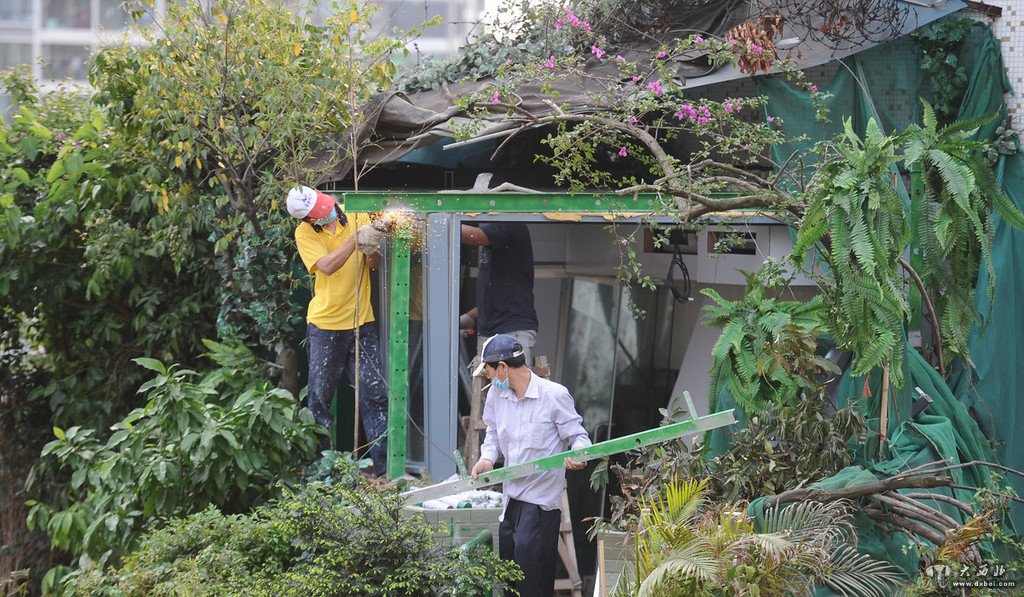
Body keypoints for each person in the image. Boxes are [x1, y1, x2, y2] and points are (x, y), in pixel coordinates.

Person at [470, 334, 591, 597]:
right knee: (509, 583)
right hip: (511, 501)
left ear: (503, 367)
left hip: (540, 505)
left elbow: (578, 437)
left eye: (488, 371)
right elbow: (493, 433)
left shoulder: (554, 395)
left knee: (533, 586)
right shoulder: (497, 395)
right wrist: (487, 458)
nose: (488, 378)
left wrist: (579, 455)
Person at [287, 185, 388, 476]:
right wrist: (356, 240)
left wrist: (371, 246)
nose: (328, 212)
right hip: (326, 326)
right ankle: (323, 470)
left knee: (375, 394)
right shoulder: (304, 234)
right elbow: (328, 266)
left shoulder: (356, 214)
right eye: (320, 213)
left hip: (361, 321)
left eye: (326, 205)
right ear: (309, 219)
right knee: (319, 399)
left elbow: (374, 264)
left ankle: (383, 468)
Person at [460, 223, 539, 367]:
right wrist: (471, 316)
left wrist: (439, 223)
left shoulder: (509, 224)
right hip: (491, 330)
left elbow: (474, 235)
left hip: (512, 330)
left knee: (511, 381)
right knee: (487, 381)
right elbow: (499, 293)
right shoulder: (495, 239)